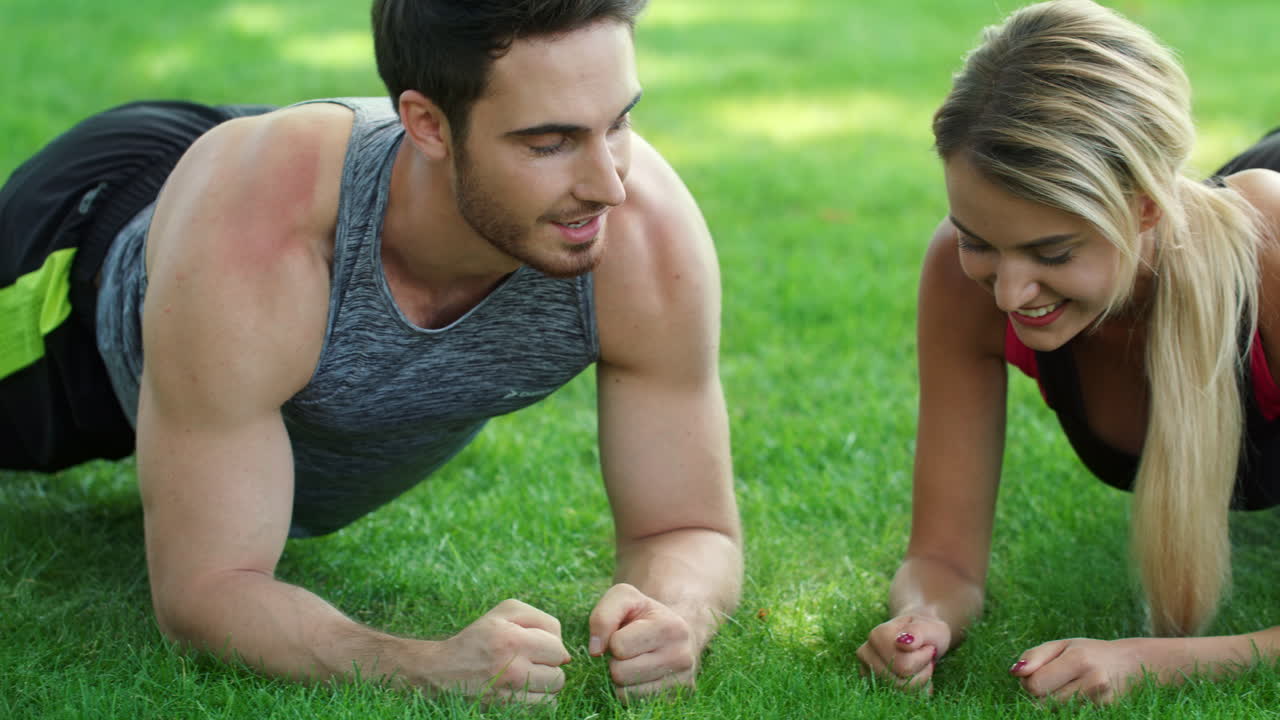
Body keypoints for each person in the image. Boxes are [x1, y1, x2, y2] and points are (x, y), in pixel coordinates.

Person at [0, 0, 742, 704]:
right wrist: (422, 665)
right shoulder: (259, 237)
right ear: (427, 123)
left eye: (618, 123)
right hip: (81, 258)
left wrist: (673, 615)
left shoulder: (643, 234)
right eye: (548, 142)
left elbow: (687, 527)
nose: (610, 183)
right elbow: (205, 591)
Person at [856, 0, 1280, 705]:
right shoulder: (964, 282)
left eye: (1052, 251)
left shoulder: (1269, 256)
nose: (1009, 293)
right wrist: (923, 618)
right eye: (977, 239)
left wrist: (1155, 660)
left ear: (1145, 206)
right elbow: (942, 558)